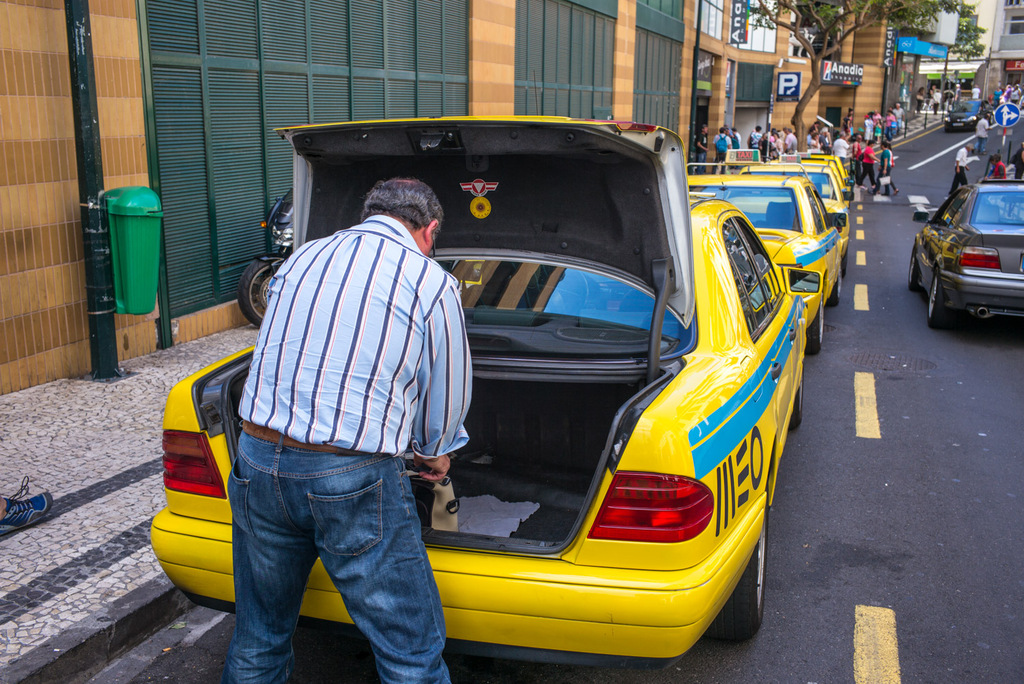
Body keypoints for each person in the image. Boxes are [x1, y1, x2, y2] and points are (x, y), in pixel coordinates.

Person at [224, 178, 471, 683]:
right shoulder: (430, 281)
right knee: (409, 652)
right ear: (430, 230)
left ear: (368, 212)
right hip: (348, 477)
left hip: (255, 459)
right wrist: (434, 451)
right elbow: (447, 387)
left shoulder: (300, 258)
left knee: (259, 638)